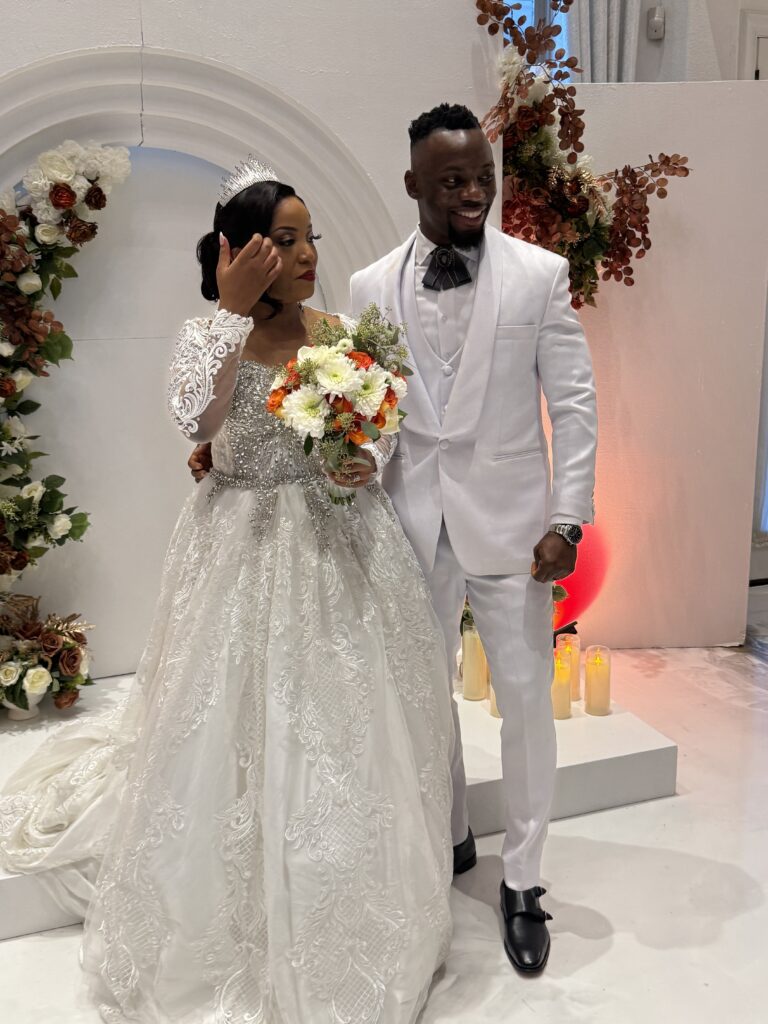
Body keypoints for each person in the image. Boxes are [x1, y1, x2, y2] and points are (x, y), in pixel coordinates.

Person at [1, 164, 454, 1024]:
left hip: (340, 544)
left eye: (310, 236)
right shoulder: (209, 336)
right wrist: (228, 314)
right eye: (285, 239)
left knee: (344, 728)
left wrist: (366, 460)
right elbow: (193, 420)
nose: (307, 253)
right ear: (239, 251)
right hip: (240, 541)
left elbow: (374, 429)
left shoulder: (339, 330)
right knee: (226, 724)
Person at [191, 106, 598, 975]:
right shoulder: (369, 286)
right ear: (413, 183)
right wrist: (353, 460)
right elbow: (369, 409)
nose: (472, 192)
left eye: (482, 176)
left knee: (526, 702)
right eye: (451, 180)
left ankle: (523, 880)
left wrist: (568, 519)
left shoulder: (540, 276)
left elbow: (572, 404)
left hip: (515, 529)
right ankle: (445, 837)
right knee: (417, 695)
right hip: (402, 526)